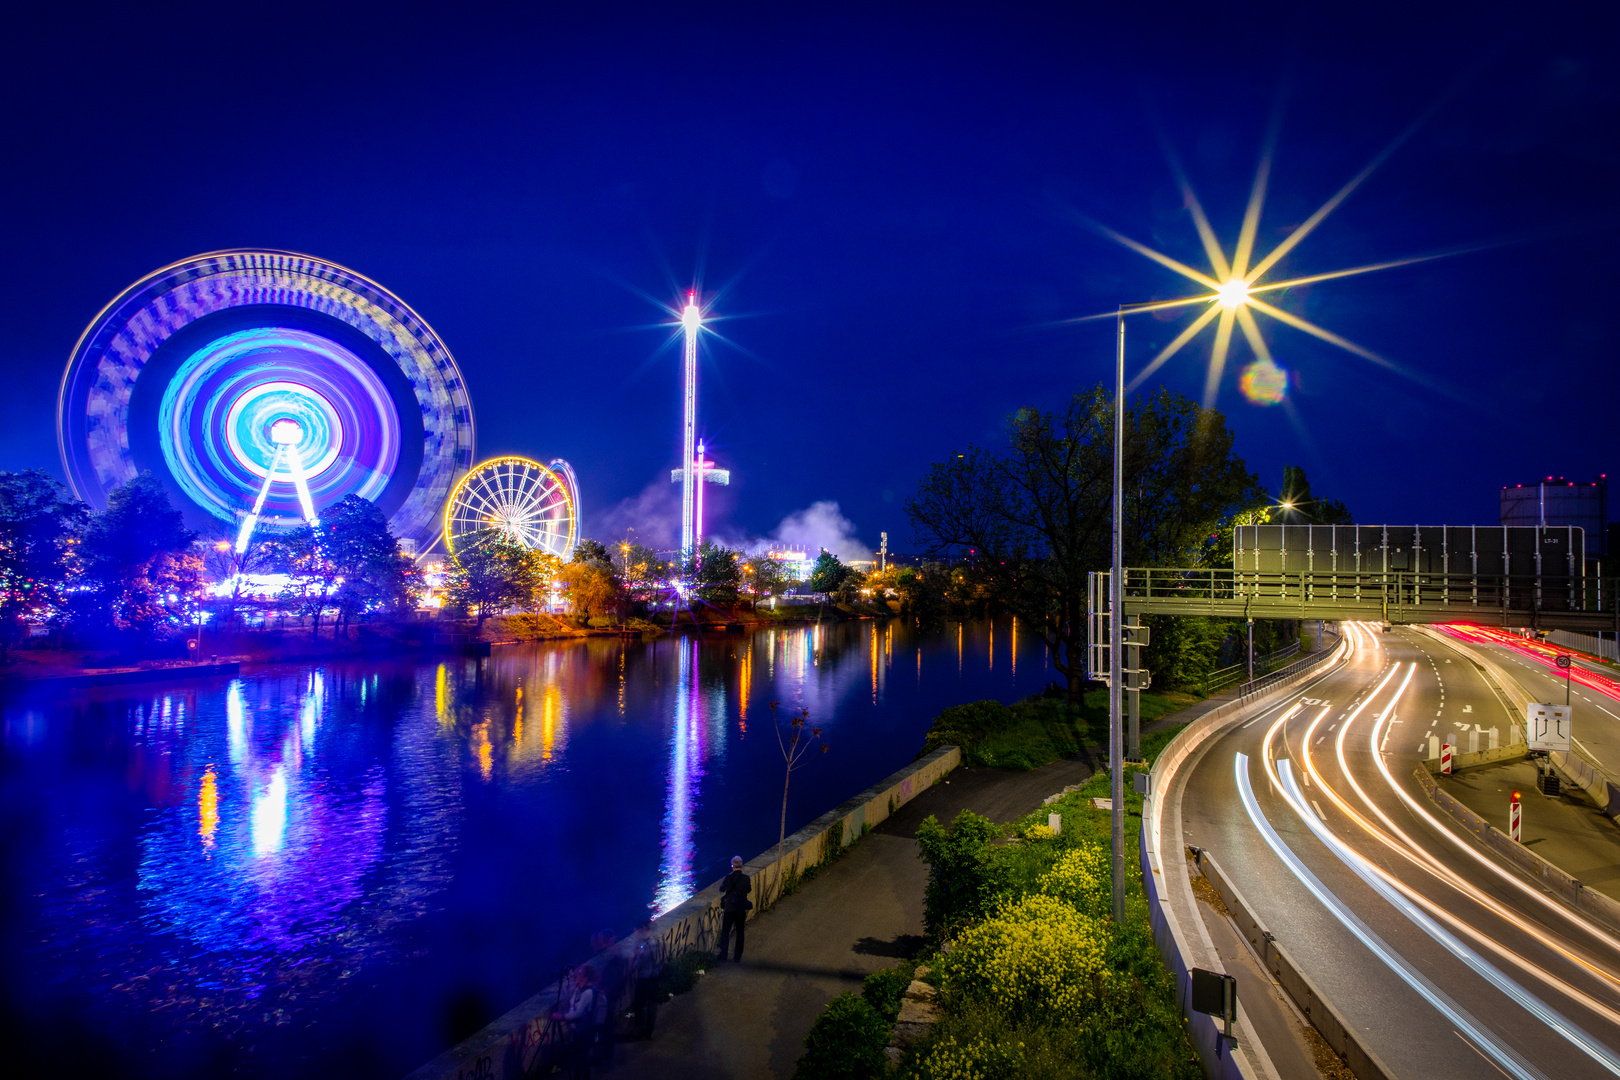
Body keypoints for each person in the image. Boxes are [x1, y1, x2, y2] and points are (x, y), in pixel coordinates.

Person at [550, 965, 597, 1079]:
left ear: (585, 977)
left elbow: (578, 1013)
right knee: (579, 1058)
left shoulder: (588, 993)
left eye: (580, 972)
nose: (578, 973)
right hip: (578, 1030)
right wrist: (568, 979)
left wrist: (562, 1016)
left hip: (585, 1031)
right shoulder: (579, 989)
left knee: (582, 1059)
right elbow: (568, 995)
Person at [629, 919, 664, 1039]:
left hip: (644, 978)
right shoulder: (654, 940)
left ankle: (640, 1031)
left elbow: (635, 965)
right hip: (655, 977)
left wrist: (635, 955)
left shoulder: (643, 945)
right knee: (652, 1005)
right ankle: (649, 1031)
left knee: (639, 1005)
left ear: (643, 928)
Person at [716, 855, 751, 962]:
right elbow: (749, 890)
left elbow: (721, 889)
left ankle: (723, 955)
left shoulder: (728, 878)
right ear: (741, 865)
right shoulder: (746, 878)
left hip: (730, 909)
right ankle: (737, 956)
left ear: (732, 866)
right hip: (740, 909)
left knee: (725, 932)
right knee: (740, 932)